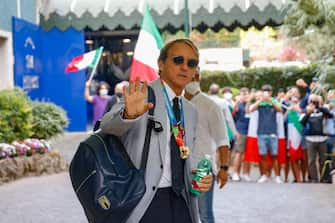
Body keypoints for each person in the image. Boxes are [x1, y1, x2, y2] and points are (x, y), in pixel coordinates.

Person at [100, 38, 213, 223]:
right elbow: (107, 126)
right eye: (178, 60)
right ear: (161, 63)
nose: (185, 67)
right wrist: (128, 115)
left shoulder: (190, 110)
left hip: (183, 201)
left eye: (191, 63)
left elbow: (183, 152)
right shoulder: (141, 95)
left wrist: (196, 176)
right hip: (144, 203)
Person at [184, 69, 230, 223]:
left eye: (195, 74)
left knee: (204, 214)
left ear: (199, 77)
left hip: (202, 168)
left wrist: (224, 168)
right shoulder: (175, 103)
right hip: (179, 168)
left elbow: (223, 141)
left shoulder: (210, 106)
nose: (192, 78)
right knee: (184, 214)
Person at [249, 84, 283, 183]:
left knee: (274, 155)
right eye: (264, 91)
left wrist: (270, 100)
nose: (266, 93)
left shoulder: (275, 101)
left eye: (268, 91)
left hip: (273, 132)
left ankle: (277, 176)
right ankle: (264, 175)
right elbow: (252, 109)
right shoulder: (260, 103)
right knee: (263, 155)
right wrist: (261, 100)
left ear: (271, 93)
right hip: (261, 132)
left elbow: (280, 110)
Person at [231, 87, 251, 182]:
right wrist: (238, 101)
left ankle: (246, 173)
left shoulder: (250, 104)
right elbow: (233, 110)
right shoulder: (238, 104)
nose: (245, 96)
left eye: (246, 94)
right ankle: (235, 173)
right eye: (243, 94)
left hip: (250, 131)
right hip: (240, 130)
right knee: (238, 153)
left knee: (247, 154)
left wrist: (249, 101)